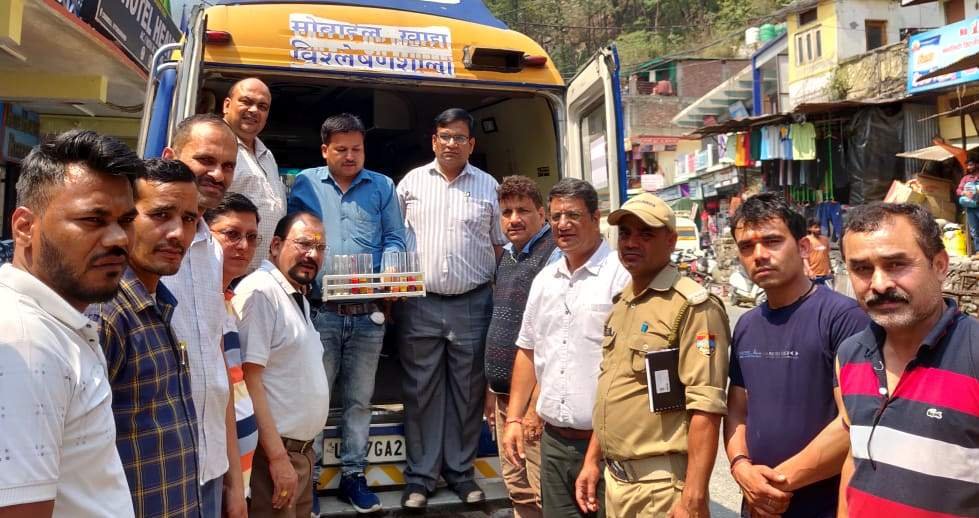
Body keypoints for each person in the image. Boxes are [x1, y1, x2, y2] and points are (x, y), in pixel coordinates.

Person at [0, 130, 138, 517]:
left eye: (126, 220)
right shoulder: (25, 341)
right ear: (24, 227)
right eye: (93, 219)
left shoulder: (54, 325)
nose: (119, 239)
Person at [576, 193, 731, 518]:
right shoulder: (623, 304)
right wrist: (592, 459)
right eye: (625, 234)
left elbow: (706, 407)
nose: (631, 243)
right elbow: (614, 392)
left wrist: (693, 497)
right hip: (617, 483)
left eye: (646, 234)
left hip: (660, 489)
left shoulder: (691, 306)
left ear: (671, 241)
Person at [287, 113, 406, 514]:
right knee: (315, 399)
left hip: (368, 314)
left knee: (359, 400)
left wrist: (392, 267)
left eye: (357, 148)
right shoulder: (306, 183)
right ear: (325, 150)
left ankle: (354, 475)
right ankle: (310, 479)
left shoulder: (382, 186)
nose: (350, 156)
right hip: (320, 312)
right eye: (341, 149)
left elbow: (395, 237)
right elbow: (293, 236)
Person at [723, 193, 868, 518]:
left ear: (803, 247)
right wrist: (741, 467)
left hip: (823, 505)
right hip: (758, 505)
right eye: (747, 246)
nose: (759, 255)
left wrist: (775, 484)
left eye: (772, 241)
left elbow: (854, 421)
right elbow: (737, 410)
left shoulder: (843, 318)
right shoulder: (747, 325)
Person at [395, 108, 508, 509]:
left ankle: (461, 473)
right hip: (419, 302)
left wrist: (499, 296)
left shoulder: (489, 186)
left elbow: (499, 246)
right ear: (433, 140)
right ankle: (420, 478)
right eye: (445, 136)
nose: (451, 144)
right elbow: (395, 241)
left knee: (468, 392)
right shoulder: (410, 184)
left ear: (471, 144)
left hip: (474, 301)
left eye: (459, 138)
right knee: (421, 391)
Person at [835, 203, 979, 517]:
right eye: (862, 269)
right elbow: (854, 460)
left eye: (896, 264)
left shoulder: (973, 353)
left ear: (939, 265)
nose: (879, 284)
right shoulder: (849, 355)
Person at [501, 178, 630, 518]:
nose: (562, 224)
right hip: (554, 444)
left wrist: (596, 454)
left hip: (608, 446)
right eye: (556, 216)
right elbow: (528, 350)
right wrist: (514, 418)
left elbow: (625, 372)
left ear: (596, 218)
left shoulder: (621, 276)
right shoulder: (545, 280)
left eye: (573, 215)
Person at [89, 158, 206, 517]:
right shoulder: (105, 316)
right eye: (160, 215)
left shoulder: (157, 304)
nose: (178, 233)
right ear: (126, 219)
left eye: (189, 219)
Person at [161, 113, 243, 516]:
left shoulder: (212, 250)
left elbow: (216, 368)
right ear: (170, 157)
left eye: (227, 165)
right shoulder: (141, 249)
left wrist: (233, 480)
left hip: (210, 467)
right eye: (206, 160)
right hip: (160, 468)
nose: (217, 174)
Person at [233, 212, 331, 518]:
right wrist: (277, 458)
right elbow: (248, 382)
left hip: (299, 455)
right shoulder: (261, 292)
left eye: (320, 247)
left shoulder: (294, 295)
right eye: (303, 244)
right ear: (275, 245)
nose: (312, 254)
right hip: (274, 457)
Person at [483, 175, 559, 518]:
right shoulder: (509, 256)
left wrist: (532, 411)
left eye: (523, 211)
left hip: (532, 403)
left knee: (544, 493)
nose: (514, 219)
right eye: (506, 212)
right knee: (518, 490)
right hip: (506, 400)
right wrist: (492, 389)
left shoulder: (552, 257)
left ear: (541, 214)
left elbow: (554, 341)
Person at [204, 193, 263, 511]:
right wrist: (232, 486)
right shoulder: (201, 305)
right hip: (220, 481)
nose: (243, 246)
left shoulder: (227, 300)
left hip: (237, 478)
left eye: (251, 237)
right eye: (231, 234)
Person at [224, 77, 287, 270]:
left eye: (262, 106)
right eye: (246, 101)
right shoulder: (218, 145)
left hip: (262, 273)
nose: (254, 110)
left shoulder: (266, 155)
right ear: (227, 105)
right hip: (227, 272)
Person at [956, 156, 979, 257]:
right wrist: (964, 193)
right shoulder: (965, 178)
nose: (969, 167)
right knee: (974, 230)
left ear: (977, 165)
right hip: (971, 208)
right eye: (968, 165)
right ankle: (978, 251)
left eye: (971, 165)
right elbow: (958, 190)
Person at [803, 218, 833, 286]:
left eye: (819, 227)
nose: (818, 229)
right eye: (815, 227)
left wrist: (830, 269)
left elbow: (827, 255)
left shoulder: (825, 239)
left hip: (825, 275)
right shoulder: (806, 240)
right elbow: (804, 258)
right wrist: (809, 270)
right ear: (809, 228)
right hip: (813, 275)